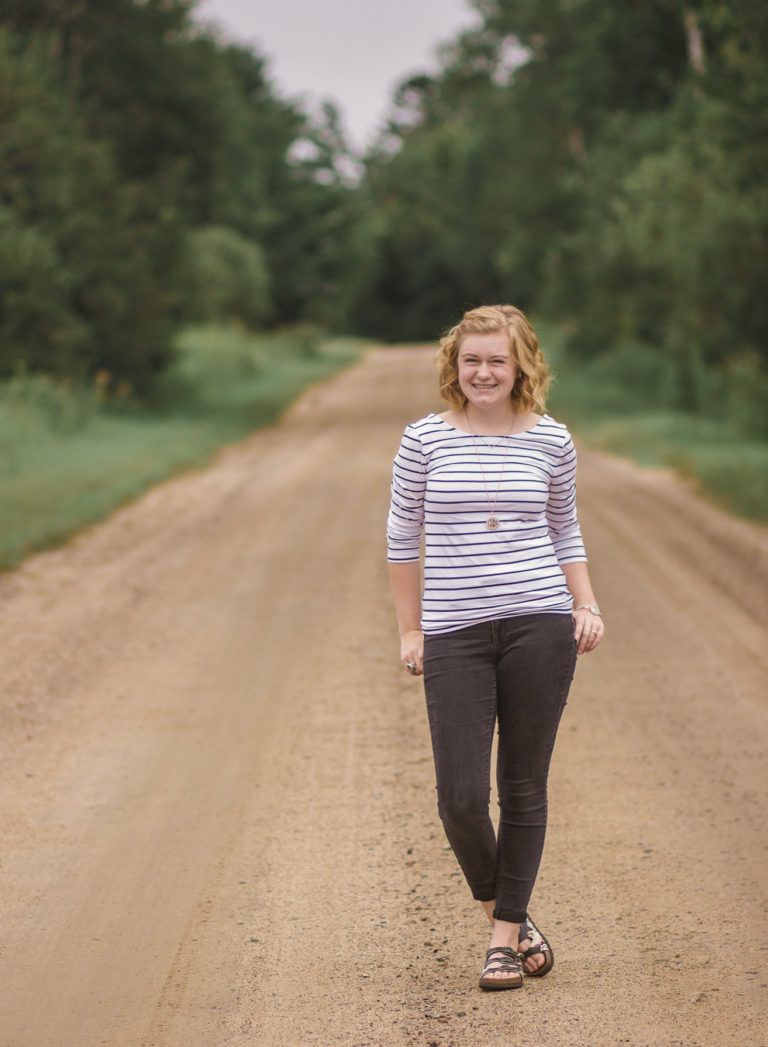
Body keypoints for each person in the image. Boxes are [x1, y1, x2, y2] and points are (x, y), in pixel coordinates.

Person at [386, 304, 604, 991]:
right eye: (471, 359)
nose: (483, 372)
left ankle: (503, 941)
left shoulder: (552, 440)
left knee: (522, 785)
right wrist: (410, 628)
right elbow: (401, 539)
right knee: (458, 795)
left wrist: (586, 602)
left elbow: (564, 527)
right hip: (454, 631)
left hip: (540, 623)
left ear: (521, 367)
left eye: (497, 360)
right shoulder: (422, 439)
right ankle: (507, 909)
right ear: (455, 366)